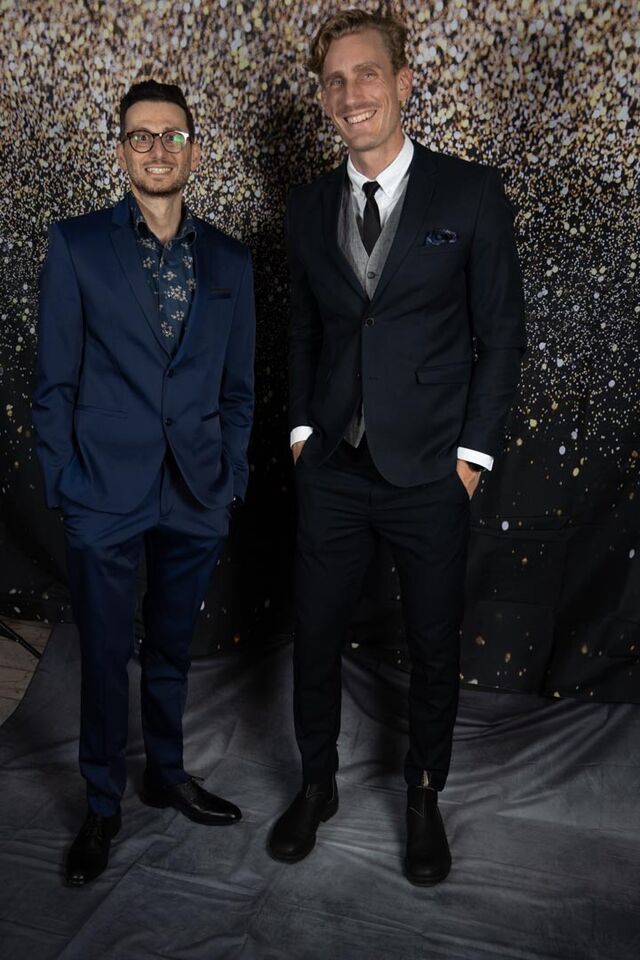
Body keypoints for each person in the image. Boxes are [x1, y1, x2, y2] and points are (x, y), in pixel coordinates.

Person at [268, 10, 526, 885]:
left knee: (432, 643)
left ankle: (423, 794)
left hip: (430, 472)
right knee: (313, 636)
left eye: (367, 73)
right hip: (334, 469)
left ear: (404, 82)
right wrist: (302, 434)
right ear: (324, 99)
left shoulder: (471, 194)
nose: (352, 94)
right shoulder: (306, 206)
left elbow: (502, 336)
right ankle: (317, 784)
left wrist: (471, 461)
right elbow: (304, 328)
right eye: (335, 82)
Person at [32, 80, 255, 886]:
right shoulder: (77, 246)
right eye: (140, 136)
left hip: (196, 491)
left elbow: (239, 388)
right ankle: (102, 803)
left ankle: (165, 772)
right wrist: (65, 483)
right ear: (121, 151)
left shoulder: (231, 260)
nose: (157, 149)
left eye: (172, 135)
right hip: (103, 492)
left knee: (170, 647)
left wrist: (230, 475)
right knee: (102, 655)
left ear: (194, 150)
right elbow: (53, 383)